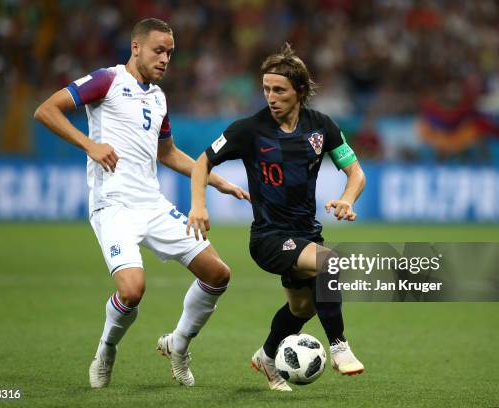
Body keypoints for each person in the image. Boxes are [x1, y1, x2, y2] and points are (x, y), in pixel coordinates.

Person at [34, 18, 249, 389]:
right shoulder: (107, 80)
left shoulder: (159, 97)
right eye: (158, 50)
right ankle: (106, 350)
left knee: (218, 274)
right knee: (132, 290)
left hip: (152, 203)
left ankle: (178, 344)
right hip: (113, 204)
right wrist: (91, 145)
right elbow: (46, 110)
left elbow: (167, 153)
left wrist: (216, 180)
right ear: (136, 48)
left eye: (170, 52)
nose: (166, 58)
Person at [188, 43, 366, 392]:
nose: (271, 96)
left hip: (305, 234)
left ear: (299, 91)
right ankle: (340, 347)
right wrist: (198, 204)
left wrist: (347, 199)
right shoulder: (250, 129)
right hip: (268, 238)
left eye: (279, 89)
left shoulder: (322, 127)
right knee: (329, 264)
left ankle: (267, 356)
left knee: (302, 309)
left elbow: (356, 172)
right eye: (267, 89)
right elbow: (201, 161)